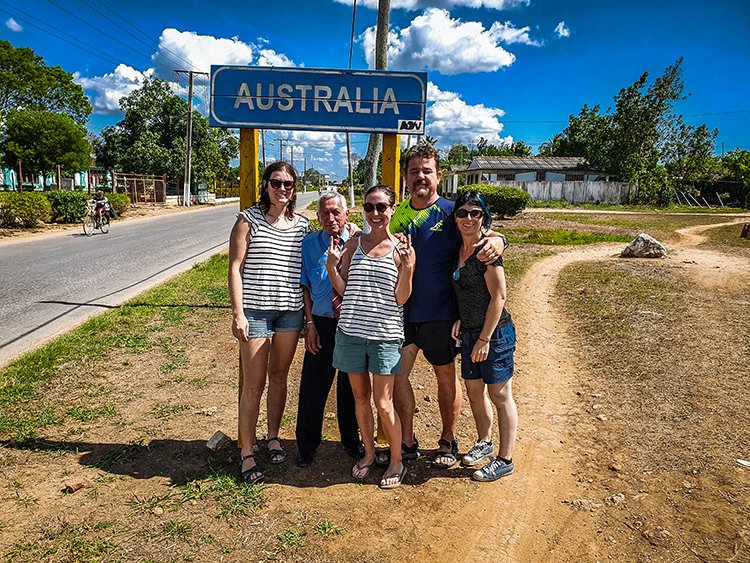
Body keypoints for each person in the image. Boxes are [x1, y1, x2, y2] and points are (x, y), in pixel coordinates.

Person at [387, 143, 508, 470]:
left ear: (439, 175)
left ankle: (448, 439)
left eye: (426, 170)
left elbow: (483, 231)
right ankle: (408, 442)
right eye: (414, 171)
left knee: (444, 377)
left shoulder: (453, 211)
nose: (420, 177)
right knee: (397, 375)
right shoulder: (397, 214)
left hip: (441, 315)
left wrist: (499, 240)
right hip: (402, 313)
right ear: (406, 177)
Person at [327, 185, 415, 489]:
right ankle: (367, 453)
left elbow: (402, 298)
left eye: (381, 207)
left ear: (393, 209)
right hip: (351, 333)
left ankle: (396, 460)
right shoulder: (353, 245)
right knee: (361, 399)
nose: (375, 213)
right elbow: (344, 288)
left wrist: (409, 268)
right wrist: (330, 268)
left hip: (384, 337)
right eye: (369, 208)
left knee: (383, 401)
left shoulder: (400, 249)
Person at [228, 161, 310, 483]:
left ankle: (273, 437)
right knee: (254, 384)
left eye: (288, 184)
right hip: (256, 313)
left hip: (289, 314)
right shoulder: (248, 220)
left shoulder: (302, 226)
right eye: (276, 182)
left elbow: (308, 269)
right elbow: (235, 267)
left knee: (279, 378)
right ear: (265, 184)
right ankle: (246, 451)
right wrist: (239, 313)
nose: (282, 189)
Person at [450, 191, 517, 481]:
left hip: (494, 333)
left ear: (484, 217)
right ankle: (484, 441)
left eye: (475, 213)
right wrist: (460, 319)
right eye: (462, 212)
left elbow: (499, 297)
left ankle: (505, 459)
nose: (468, 218)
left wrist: (484, 339)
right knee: (474, 392)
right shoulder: (459, 248)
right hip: (469, 332)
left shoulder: (487, 251)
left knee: (499, 394)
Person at [296, 192, 363, 467]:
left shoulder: (361, 242)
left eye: (336, 212)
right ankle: (307, 445)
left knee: (351, 387)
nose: (331, 218)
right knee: (313, 386)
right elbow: (306, 288)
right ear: (318, 216)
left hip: (352, 323)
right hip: (321, 323)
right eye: (325, 213)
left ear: (347, 214)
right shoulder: (309, 244)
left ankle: (351, 440)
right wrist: (309, 324)